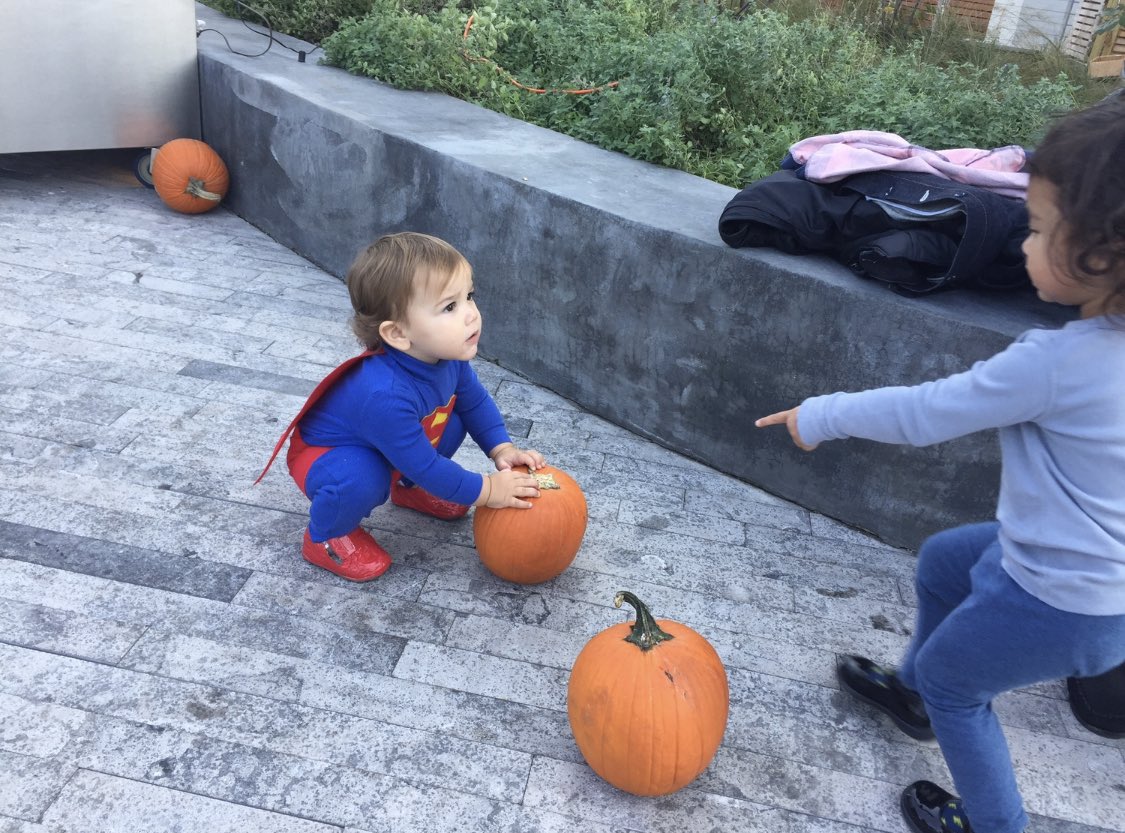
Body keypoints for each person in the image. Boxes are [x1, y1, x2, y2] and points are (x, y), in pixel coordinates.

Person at [755, 97, 1125, 833]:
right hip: (1093, 579)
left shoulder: (1055, 363)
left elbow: (926, 412)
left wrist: (820, 415)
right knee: (945, 562)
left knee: (965, 689)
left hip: (1058, 594)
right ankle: (913, 693)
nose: (1023, 244)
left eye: (1040, 229)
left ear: (1102, 253)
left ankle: (992, 820)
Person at [257, 232, 545, 581]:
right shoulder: (384, 394)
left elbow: (476, 402)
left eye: (469, 296)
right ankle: (325, 537)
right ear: (397, 334)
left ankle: (409, 489)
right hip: (328, 455)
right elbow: (424, 463)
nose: (471, 314)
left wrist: (502, 448)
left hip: (390, 445)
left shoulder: (447, 359)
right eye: (450, 307)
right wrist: (488, 490)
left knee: (452, 418)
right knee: (361, 478)